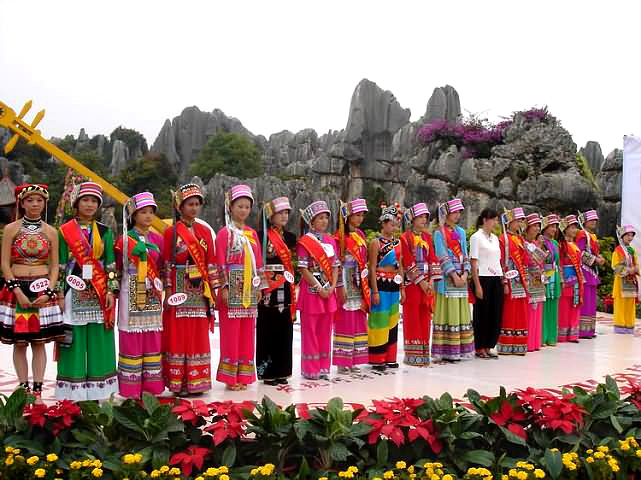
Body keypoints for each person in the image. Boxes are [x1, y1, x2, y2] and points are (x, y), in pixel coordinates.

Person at [0, 184, 64, 401]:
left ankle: (37, 391)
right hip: (16, 288)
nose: (35, 204)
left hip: (41, 289)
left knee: (38, 342)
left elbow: (55, 265)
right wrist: (16, 290)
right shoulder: (11, 229)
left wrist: (49, 290)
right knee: (19, 343)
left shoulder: (51, 232)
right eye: (30, 200)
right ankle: (22, 389)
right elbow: (5, 264)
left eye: (39, 200)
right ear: (22, 203)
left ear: (45, 203)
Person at [56, 182, 118, 400]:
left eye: (94, 201)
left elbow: (110, 264)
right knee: (73, 339)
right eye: (86, 200)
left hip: (99, 291)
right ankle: (73, 391)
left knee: (99, 338)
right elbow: (61, 265)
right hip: (73, 290)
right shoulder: (64, 231)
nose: (90, 205)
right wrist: (59, 293)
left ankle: (101, 389)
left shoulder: (105, 231)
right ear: (76, 202)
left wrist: (111, 291)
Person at [162, 183, 220, 395]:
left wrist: (214, 290)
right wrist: (168, 291)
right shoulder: (171, 232)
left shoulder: (205, 231)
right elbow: (167, 264)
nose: (194, 208)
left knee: (197, 333)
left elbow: (211, 262)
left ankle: (198, 381)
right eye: (189, 204)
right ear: (180, 206)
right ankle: (179, 382)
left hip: (199, 288)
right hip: (178, 287)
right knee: (179, 333)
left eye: (197, 204)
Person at [114, 192, 164, 398]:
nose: (148, 216)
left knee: (152, 335)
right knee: (131, 336)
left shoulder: (159, 239)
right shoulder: (123, 241)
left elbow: (161, 267)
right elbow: (117, 268)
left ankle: (152, 386)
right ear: (134, 215)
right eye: (143, 212)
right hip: (130, 290)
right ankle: (130, 387)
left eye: (151, 212)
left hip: (152, 291)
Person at [216, 185, 263, 391]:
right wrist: (224, 287)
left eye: (246, 206)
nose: (243, 210)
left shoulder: (252, 234)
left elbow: (259, 264)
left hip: (249, 288)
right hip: (232, 286)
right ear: (230, 207)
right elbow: (219, 263)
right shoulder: (224, 233)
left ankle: (244, 376)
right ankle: (229, 377)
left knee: (247, 332)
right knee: (230, 332)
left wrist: (260, 286)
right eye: (239, 206)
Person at [256, 196, 297, 386]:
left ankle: (283, 371)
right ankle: (267, 373)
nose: (284, 215)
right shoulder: (260, 235)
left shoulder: (290, 237)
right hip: (268, 287)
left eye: (287, 212)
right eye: (280, 212)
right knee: (267, 329)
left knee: (284, 329)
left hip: (286, 286)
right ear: (270, 216)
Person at [297, 201, 339, 380]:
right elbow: (303, 268)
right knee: (310, 330)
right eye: (320, 218)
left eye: (326, 218)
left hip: (328, 290)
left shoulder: (331, 240)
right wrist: (318, 287)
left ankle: (323, 367)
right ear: (311, 222)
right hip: (312, 291)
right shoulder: (304, 242)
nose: (324, 221)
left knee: (325, 330)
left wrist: (332, 286)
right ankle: (311, 368)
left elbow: (336, 266)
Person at [432, 198, 474, 362]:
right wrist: (454, 275)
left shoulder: (461, 232)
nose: (457, 215)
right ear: (446, 214)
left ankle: (461, 349)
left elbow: (465, 253)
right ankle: (446, 350)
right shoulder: (439, 233)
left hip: (461, 278)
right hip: (447, 279)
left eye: (459, 212)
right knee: (447, 312)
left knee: (461, 312)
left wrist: (464, 274)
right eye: (454, 212)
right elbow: (441, 255)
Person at [400, 202, 440, 366]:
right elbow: (407, 261)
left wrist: (430, 280)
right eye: (421, 217)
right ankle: (413, 354)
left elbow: (433, 259)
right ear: (412, 219)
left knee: (425, 315)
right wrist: (421, 281)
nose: (424, 220)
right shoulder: (405, 238)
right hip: (412, 283)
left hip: (427, 283)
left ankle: (424, 352)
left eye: (426, 217)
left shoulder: (427, 237)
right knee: (412, 316)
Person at [334, 199, 370, 374]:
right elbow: (336, 262)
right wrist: (340, 285)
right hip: (346, 280)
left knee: (358, 318)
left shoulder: (361, 235)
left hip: (359, 281)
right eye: (357, 215)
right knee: (346, 319)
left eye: (362, 215)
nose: (360, 218)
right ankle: (343, 360)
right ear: (348, 217)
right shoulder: (339, 236)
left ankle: (355, 358)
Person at [367, 204, 404, 371]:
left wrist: (402, 288)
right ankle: (377, 357)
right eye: (390, 223)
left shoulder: (398, 243)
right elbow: (372, 267)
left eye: (395, 223)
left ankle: (390, 356)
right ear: (383, 223)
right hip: (380, 284)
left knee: (392, 321)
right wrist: (374, 290)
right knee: (379, 321)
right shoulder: (376, 242)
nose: (393, 226)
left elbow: (400, 266)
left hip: (394, 285)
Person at [469, 208, 503, 359]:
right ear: (485, 220)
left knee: (495, 313)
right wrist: (477, 285)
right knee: (482, 313)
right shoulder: (476, 237)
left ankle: (489, 345)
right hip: (482, 277)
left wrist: (502, 280)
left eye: (496, 220)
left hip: (496, 277)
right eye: (493, 219)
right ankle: (479, 346)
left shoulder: (495, 238)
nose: (495, 222)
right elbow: (474, 262)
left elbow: (498, 261)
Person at [497, 207, 529, 355]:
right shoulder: (503, 239)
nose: (519, 223)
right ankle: (506, 344)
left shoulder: (520, 239)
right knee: (509, 312)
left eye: (521, 221)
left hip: (521, 279)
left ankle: (519, 344)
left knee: (521, 311)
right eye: (517, 220)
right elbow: (501, 261)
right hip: (510, 279)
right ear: (509, 222)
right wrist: (504, 281)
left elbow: (526, 259)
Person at [576, 210, 605, 339]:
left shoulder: (592, 236)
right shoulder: (582, 235)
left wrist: (599, 257)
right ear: (585, 222)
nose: (594, 222)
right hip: (585, 271)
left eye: (595, 220)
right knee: (586, 301)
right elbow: (580, 253)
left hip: (592, 272)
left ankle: (589, 330)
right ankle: (583, 330)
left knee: (591, 302)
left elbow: (593, 251)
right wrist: (595, 260)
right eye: (591, 220)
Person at [557, 215, 584, 343]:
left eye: (575, 228)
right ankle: (562, 334)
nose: (574, 230)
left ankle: (573, 334)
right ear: (565, 229)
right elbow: (560, 263)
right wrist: (562, 278)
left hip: (576, 278)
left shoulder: (575, 244)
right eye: (572, 228)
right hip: (567, 278)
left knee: (575, 303)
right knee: (564, 305)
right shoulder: (561, 245)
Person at [524, 214, 546, 352]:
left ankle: (535, 341)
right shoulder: (523, 243)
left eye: (539, 226)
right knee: (530, 309)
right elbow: (527, 260)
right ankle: (527, 341)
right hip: (528, 276)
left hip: (537, 277)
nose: (537, 229)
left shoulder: (535, 244)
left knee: (537, 309)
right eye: (534, 226)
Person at [612, 224, 639, 334]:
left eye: (632, 235)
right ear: (622, 236)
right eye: (627, 235)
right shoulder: (618, 250)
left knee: (630, 304)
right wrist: (628, 270)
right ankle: (620, 327)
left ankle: (629, 326)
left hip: (630, 281)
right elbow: (615, 266)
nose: (630, 237)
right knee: (621, 304)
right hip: (621, 281)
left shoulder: (632, 250)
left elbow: (636, 264)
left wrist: (636, 269)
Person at [541, 214, 562, 346]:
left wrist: (561, 279)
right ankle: (543, 336)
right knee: (545, 306)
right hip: (544, 275)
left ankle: (551, 337)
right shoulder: (541, 241)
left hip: (554, 275)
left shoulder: (555, 243)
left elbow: (558, 262)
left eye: (556, 227)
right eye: (552, 226)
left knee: (553, 304)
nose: (554, 229)